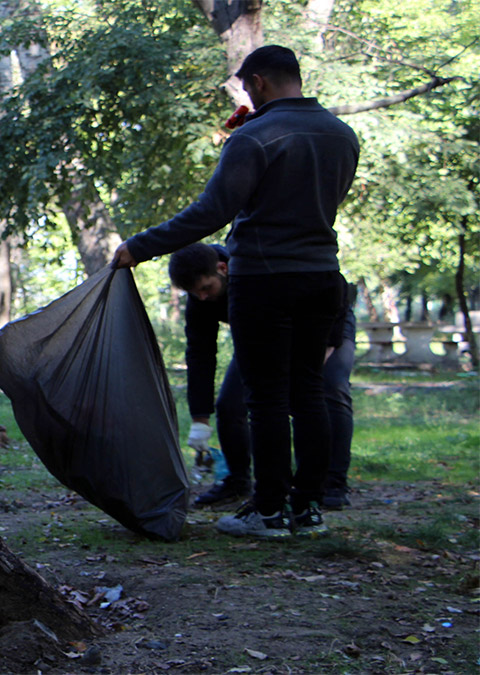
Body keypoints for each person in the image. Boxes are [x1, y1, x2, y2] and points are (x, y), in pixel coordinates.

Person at [111, 45, 359, 539]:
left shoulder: (256, 136)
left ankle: (268, 510)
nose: (247, 96)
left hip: (265, 279)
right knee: (309, 390)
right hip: (322, 276)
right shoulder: (342, 134)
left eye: (246, 87)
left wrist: (140, 246)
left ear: (259, 82)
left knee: (265, 398)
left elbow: (211, 212)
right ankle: (307, 509)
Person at [168, 243, 358, 510]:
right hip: (262, 331)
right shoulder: (201, 301)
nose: (201, 297)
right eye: (193, 293)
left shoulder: (260, 261)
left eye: (206, 288)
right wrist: (200, 418)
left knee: (330, 388)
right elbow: (200, 354)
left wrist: (325, 346)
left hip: (326, 317)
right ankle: (237, 481)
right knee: (230, 404)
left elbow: (333, 286)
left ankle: (333, 483)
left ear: (223, 269)